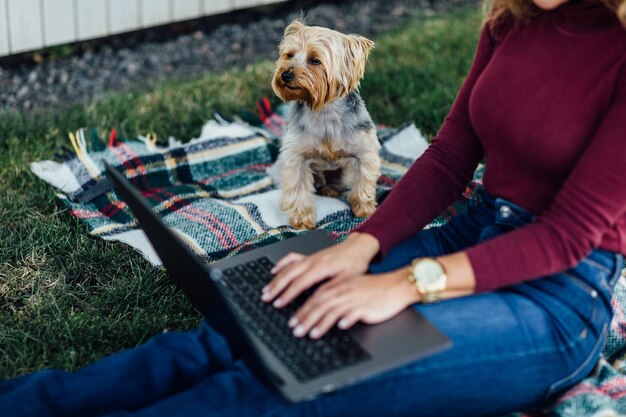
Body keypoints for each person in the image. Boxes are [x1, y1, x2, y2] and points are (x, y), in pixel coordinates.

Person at [2, 0, 626, 416]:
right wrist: (359, 246)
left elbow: (569, 236)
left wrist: (406, 285)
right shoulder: (513, 19)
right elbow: (450, 155)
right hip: (471, 231)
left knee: (296, 383)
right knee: (234, 330)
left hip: (556, 297)